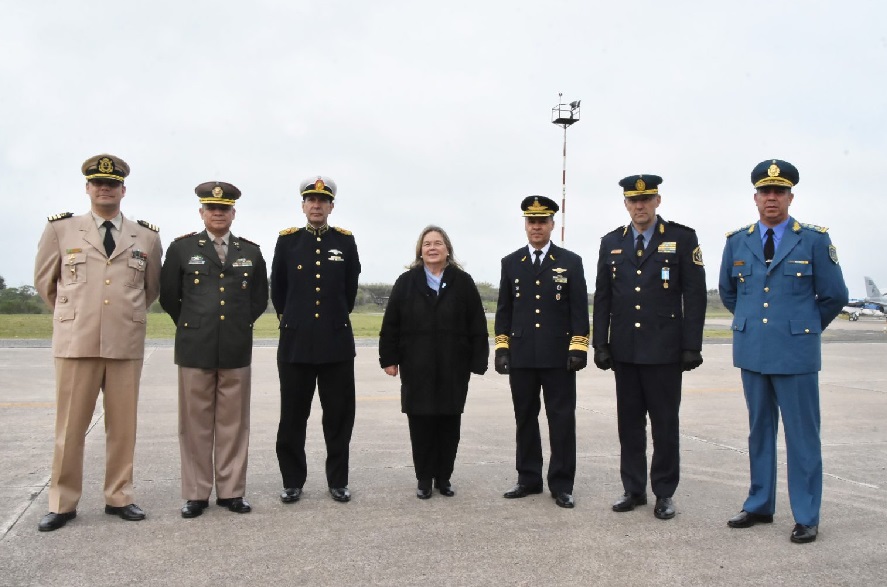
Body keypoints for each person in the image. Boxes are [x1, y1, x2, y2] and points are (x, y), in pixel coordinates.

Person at [719, 159, 848, 544]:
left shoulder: (813, 239)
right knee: (759, 432)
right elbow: (729, 293)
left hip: (796, 354)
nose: (771, 197)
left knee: (802, 436)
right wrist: (756, 326)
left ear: (791, 196)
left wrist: (802, 328)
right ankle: (759, 504)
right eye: (765, 191)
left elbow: (834, 295)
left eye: (779, 191)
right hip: (752, 352)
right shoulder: (737, 241)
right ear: (755, 197)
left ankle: (806, 515)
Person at [33, 154, 162, 531]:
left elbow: (150, 288)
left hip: (125, 342)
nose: (105, 189)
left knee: (123, 428)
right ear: (87, 188)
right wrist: (77, 314)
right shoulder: (61, 229)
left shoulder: (146, 236)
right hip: (77, 342)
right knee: (70, 427)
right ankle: (62, 502)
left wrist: (119, 314)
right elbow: (46, 283)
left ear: (123, 190)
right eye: (98, 183)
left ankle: (119, 496)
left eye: (112, 184)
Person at [592, 174, 707, 520]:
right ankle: (633, 489)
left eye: (646, 199)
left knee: (664, 425)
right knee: (629, 424)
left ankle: (664, 492)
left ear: (658, 201)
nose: (639, 206)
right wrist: (601, 343)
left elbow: (695, 295)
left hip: (665, 351)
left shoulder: (681, 238)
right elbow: (603, 297)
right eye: (633, 200)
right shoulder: (611, 242)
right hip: (625, 350)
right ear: (626, 204)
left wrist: (691, 345)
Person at [159, 181, 269, 518]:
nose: (218, 213)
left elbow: (258, 300)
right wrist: (195, 324)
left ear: (233, 213)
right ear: (201, 212)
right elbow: (170, 297)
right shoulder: (181, 249)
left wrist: (235, 325)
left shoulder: (250, 252)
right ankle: (196, 493)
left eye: (224, 208)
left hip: (236, 346)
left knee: (234, 424)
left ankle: (232, 491)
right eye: (211, 208)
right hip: (195, 347)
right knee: (195, 424)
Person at [379, 226, 489, 499]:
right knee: (421, 423)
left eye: (438, 243)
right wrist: (389, 359)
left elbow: (477, 323)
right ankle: (424, 478)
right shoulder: (406, 282)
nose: (432, 248)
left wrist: (478, 360)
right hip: (417, 365)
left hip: (454, 365)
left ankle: (444, 477)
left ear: (447, 249)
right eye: (427, 244)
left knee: (449, 423)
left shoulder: (463, 282)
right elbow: (391, 323)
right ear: (420, 250)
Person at [494, 195, 589, 509]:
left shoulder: (570, 262)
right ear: (525, 225)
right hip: (522, 355)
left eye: (542, 221)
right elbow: (504, 310)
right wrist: (502, 348)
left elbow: (579, 309)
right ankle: (528, 478)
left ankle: (561, 484)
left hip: (558, 356)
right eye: (531, 221)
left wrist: (578, 347)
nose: (536, 227)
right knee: (525, 418)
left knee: (561, 420)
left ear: (552, 224)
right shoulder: (511, 263)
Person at [271, 175, 361, 503]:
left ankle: (338, 480)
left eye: (323, 201)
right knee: (293, 418)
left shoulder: (345, 242)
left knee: (338, 417)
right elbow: (278, 291)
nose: (317, 205)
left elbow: (349, 291)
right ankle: (292, 481)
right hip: (295, 344)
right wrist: (297, 320)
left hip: (336, 344)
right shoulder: (288, 242)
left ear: (331, 206)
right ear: (303, 205)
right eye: (311, 200)